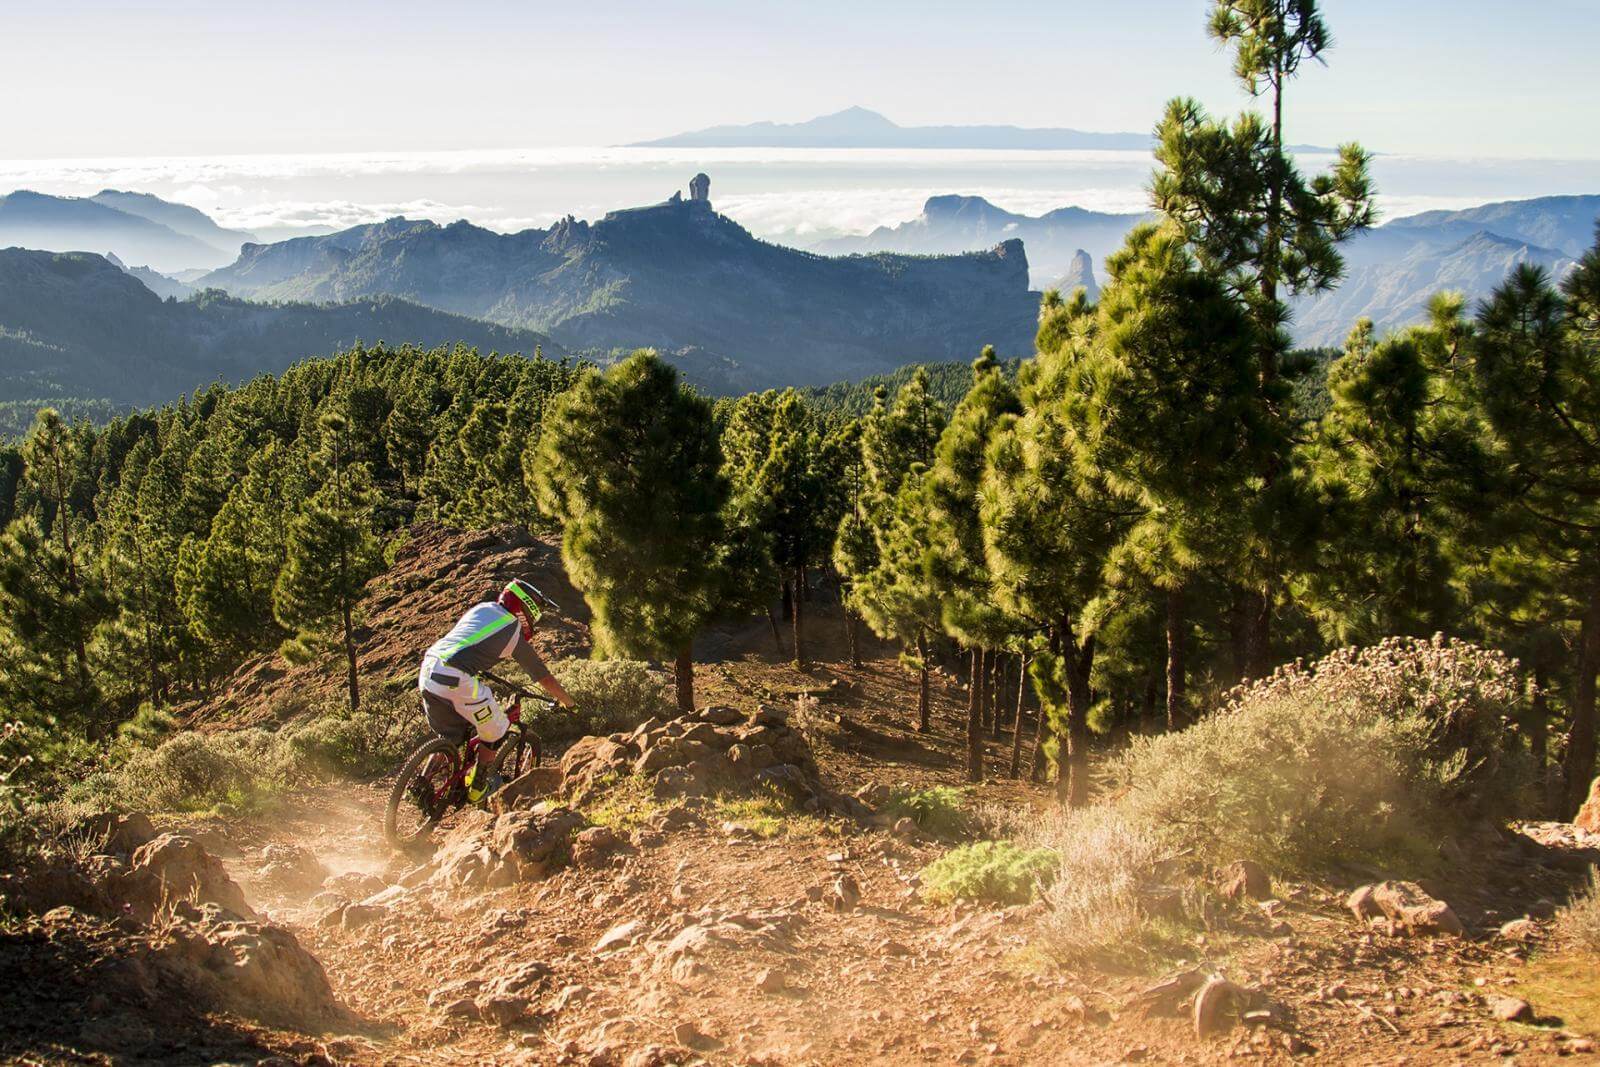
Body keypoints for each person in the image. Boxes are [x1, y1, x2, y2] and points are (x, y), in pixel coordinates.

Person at [418, 577, 575, 803]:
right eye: (537, 612)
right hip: (456, 676)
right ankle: (478, 788)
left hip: (430, 669)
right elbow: (544, 677)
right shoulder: (512, 630)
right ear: (527, 608)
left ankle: (422, 783)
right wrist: (569, 702)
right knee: (496, 729)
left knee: (451, 737)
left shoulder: (483, 608)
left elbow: (470, 642)